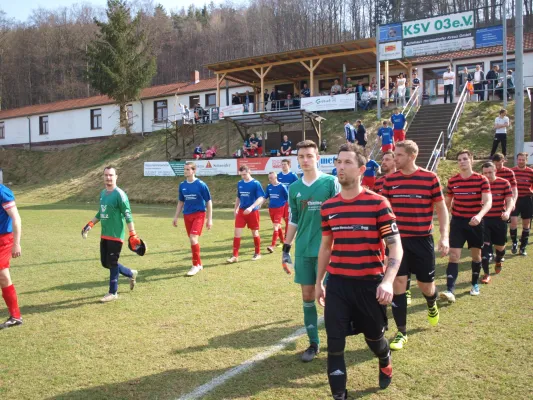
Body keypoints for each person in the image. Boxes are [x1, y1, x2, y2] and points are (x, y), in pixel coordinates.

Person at [316, 143, 403, 397]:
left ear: (362, 169)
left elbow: (395, 246)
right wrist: (320, 280)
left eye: (347, 163)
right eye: (338, 162)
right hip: (338, 285)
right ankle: (339, 395)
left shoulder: (378, 203)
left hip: (370, 284)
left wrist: (387, 281)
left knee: (374, 340)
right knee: (334, 344)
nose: (340, 167)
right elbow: (325, 247)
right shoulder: (328, 207)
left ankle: (384, 358)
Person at [382, 140, 449, 350]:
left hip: (422, 240)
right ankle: (401, 332)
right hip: (396, 242)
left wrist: (444, 236)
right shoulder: (389, 181)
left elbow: (441, 209)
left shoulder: (430, 178)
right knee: (398, 285)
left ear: (412, 156)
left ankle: (431, 302)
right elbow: (382, 213)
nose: (395, 159)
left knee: (426, 287)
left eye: (399, 155)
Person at [281, 140, 339, 362]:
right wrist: (286, 248)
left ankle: (335, 339)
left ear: (317, 157)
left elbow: (339, 213)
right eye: (301, 156)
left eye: (309, 156)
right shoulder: (294, 188)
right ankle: (314, 343)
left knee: (330, 297)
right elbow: (294, 219)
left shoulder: (330, 182)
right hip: (303, 250)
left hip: (329, 249)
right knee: (307, 296)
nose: (305, 160)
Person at [81, 167, 141, 303]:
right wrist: (90, 224)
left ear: (116, 177)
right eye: (106, 175)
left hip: (116, 235)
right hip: (105, 234)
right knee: (105, 263)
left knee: (113, 262)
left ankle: (113, 292)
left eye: (111, 175)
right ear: (103, 177)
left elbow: (128, 215)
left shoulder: (120, 194)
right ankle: (130, 273)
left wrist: (133, 234)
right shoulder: (103, 193)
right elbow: (100, 213)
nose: (108, 178)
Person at [441, 150, 492, 301]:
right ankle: (450, 290)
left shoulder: (481, 180)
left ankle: (475, 284)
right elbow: (447, 203)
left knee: (476, 255)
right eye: (459, 159)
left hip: (475, 222)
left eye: (464, 159)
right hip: (457, 222)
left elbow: (488, 201)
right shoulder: (453, 181)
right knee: (454, 255)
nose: (462, 161)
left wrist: (479, 216)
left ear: (471, 160)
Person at [173, 162, 213, 276]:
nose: (185, 171)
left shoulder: (201, 184)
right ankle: (199, 264)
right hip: (187, 215)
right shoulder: (182, 185)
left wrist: (209, 219)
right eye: (184, 169)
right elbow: (181, 201)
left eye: (188, 169)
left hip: (199, 214)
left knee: (193, 238)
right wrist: (176, 216)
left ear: (194, 171)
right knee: (193, 240)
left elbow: (209, 202)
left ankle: (195, 265)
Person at [480, 162, 513, 281]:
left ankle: (498, 260)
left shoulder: (504, 183)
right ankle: (486, 274)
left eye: (490, 172)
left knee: (500, 248)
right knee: (484, 248)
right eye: (485, 173)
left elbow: (510, 201)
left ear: (495, 171)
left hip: (499, 220)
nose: (487, 175)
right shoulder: (480, 184)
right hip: (484, 220)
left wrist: (508, 212)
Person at [227, 165, 266, 263]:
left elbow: (261, 198)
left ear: (250, 172)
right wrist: (235, 208)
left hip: (252, 212)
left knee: (255, 232)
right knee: (237, 233)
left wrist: (251, 207)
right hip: (241, 211)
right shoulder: (240, 183)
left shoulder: (256, 183)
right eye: (241, 175)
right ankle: (235, 256)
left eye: (245, 174)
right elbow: (238, 197)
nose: (243, 176)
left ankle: (258, 253)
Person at [0, 184, 23, 329]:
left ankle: (16, 316)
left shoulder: (3, 192)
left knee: (2, 274)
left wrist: (17, 243)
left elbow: (16, 218)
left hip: (4, 239)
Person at [510, 152, 533, 256]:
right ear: (517, 160)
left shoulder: (531, 172)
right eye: (519, 159)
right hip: (515, 200)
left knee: (526, 224)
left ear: (526, 160)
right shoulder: (512, 171)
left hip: (526, 199)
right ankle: (514, 242)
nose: (521, 161)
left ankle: (523, 247)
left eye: (523, 160)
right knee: (513, 222)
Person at [265, 172, 289, 253]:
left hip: (280, 209)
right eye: (269, 178)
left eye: (271, 178)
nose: (270, 179)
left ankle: (272, 246)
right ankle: (283, 241)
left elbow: (287, 197)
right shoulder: (269, 187)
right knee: (277, 226)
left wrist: (288, 207)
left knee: (275, 226)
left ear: (276, 177)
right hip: (271, 209)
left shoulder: (282, 186)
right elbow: (265, 196)